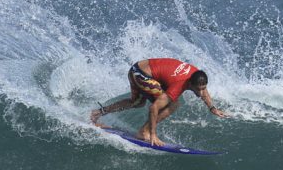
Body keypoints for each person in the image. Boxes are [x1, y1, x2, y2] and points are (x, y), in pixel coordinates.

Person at [91, 58, 227, 146]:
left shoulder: (196, 75)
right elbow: (154, 108)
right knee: (174, 104)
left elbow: (203, 89)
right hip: (141, 75)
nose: (201, 92)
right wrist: (153, 134)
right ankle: (144, 132)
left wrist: (212, 108)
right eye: (198, 89)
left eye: (203, 88)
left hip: (136, 69)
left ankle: (97, 113)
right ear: (190, 84)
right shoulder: (178, 85)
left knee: (137, 102)